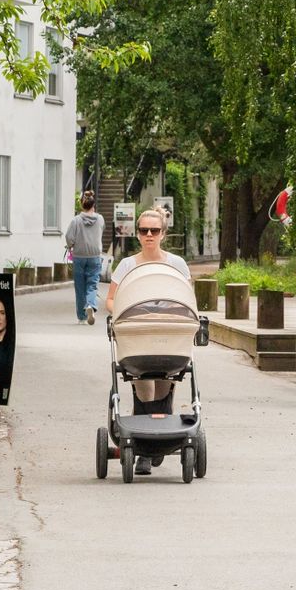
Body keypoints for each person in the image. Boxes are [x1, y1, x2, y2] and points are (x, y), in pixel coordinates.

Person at [104, 207, 191, 474]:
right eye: (144, 231)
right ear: (137, 234)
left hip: (168, 332)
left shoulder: (176, 264)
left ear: (163, 233)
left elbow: (188, 297)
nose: (149, 235)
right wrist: (119, 311)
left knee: (164, 382)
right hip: (138, 332)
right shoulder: (128, 265)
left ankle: (158, 438)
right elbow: (110, 299)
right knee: (144, 382)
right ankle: (143, 448)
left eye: (154, 230)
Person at [64, 189, 106, 325]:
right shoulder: (100, 219)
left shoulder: (76, 220)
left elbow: (69, 237)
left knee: (80, 287)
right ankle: (90, 305)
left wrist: (71, 245)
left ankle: (81, 317)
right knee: (92, 285)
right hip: (95, 256)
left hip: (79, 256)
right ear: (93, 205)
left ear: (82, 205)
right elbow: (102, 230)